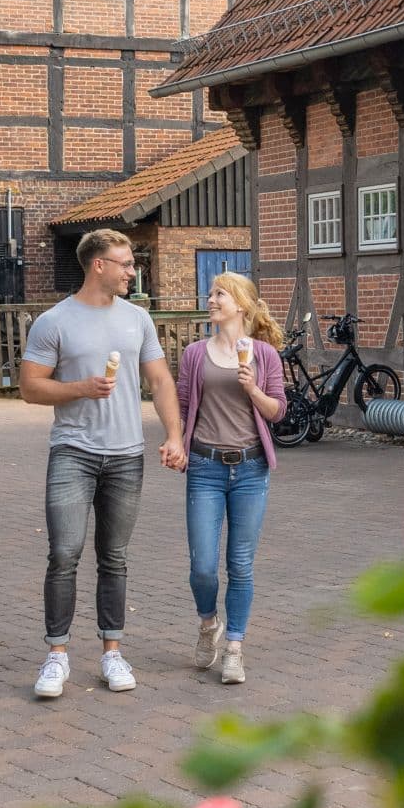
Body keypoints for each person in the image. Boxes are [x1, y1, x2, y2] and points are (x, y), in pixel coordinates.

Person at [16, 228, 185, 699]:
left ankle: (112, 653)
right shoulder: (54, 321)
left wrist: (174, 435)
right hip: (73, 451)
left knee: (115, 557)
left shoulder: (138, 319)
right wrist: (80, 389)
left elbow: (161, 381)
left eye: (133, 263)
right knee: (64, 553)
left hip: (127, 455)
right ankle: (57, 656)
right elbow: (30, 387)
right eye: (126, 263)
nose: (133, 271)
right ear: (99, 265)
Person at [174, 271, 287, 686]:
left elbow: (278, 411)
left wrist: (253, 388)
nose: (211, 298)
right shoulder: (194, 354)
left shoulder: (265, 355)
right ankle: (209, 624)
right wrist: (177, 444)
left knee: (240, 565)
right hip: (204, 467)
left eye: (219, 293)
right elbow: (184, 407)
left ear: (239, 304)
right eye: (211, 293)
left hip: (251, 469)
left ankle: (234, 648)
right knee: (203, 566)